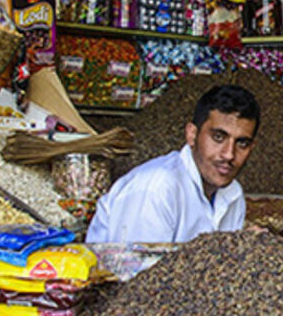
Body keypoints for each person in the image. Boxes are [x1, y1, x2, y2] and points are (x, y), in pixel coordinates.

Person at [86, 84, 259, 243]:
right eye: (218, 137)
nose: (229, 154)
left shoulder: (233, 195)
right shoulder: (157, 189)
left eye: (242, 143)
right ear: (192, 135)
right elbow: (136, 272)